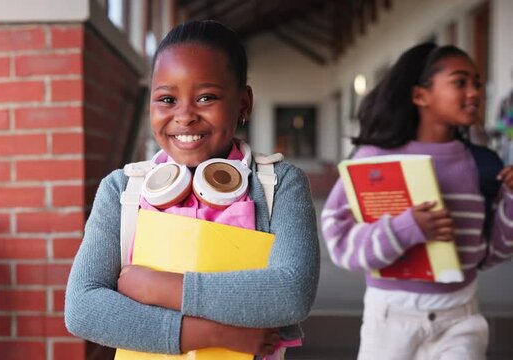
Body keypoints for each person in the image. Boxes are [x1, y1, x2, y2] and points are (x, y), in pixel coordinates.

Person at [65, 20, 319, 358]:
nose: (184, 116)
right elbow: (83, 309)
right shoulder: (121, 190)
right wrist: (215, 334)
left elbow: (291, 293)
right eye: (167, 99)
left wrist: (158, 287)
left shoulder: (279, 184)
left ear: (243, 103)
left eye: (206, 97)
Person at [321, 42, 513, 360]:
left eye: (477, 83)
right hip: (389, 321)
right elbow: (338, 241)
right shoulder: (373, 160)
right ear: (420, 95)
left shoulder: (483, 164)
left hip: (460, 319)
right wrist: (405, 229)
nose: (474, 92)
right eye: (460, 82)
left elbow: (490, 253)